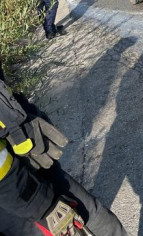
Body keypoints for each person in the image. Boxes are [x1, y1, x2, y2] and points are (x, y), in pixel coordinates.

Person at [0, 65, 127, 236]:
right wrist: (39, 203)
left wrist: (18, 116)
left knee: (99, 220)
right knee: (95, 221)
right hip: (16, 195)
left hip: (26, 160)